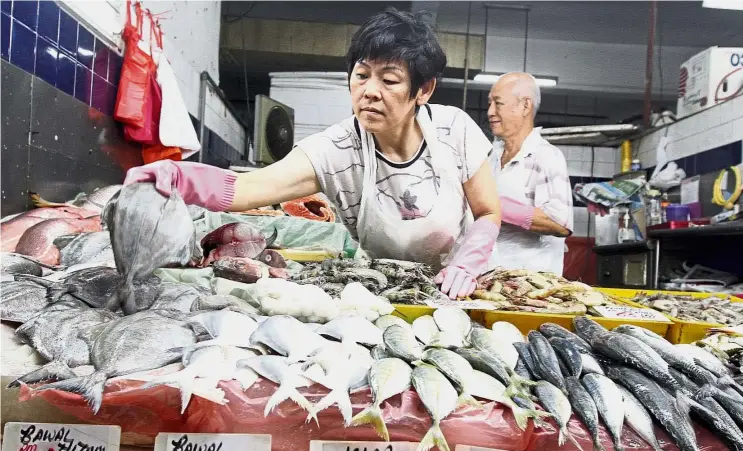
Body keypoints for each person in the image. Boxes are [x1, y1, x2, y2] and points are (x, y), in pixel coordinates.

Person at [124, 9, 502, 299]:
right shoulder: (336, 148)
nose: (370, 90)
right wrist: (177, 175)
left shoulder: (454, 129)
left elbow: (487, 211)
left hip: (462, 288)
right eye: (361, 75)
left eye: (389, 80)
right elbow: (247, 189)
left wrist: (468, 264)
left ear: (424, 90)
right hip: (386, 286)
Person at [487, 72, 573, 276]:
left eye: (498, 103)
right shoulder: (490, 156)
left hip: (531, 284)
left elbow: (560, 223)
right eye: (489, 103)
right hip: (488, 278)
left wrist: (493, 206)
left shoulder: (547, 156)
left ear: (525, 106)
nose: (490, 111)